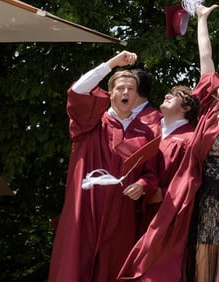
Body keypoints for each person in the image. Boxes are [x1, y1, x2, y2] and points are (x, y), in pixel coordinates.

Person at [118, 3, 219, 282]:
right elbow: (207, 62)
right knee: (202, 270)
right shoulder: (212, 114)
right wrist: (202, 20)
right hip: (204, 198)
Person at [48, 50, 160, 282]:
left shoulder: (145, 133)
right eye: (120, 88)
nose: (125, 92)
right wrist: (112, 64)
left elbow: (151, 173)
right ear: (109, 93)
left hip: (121, 216)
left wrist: (142, 184)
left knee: (113, 271)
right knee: (73, 268)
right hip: (84, 209)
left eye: (131, 88)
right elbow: (77, 90)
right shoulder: (89, 125)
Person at [142, 85, 201, 228]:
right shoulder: (147, 130)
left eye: (175, 95)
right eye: (168, 93)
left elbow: (190, 178)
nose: (167, 96)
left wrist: (161, 194)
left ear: (186, 108)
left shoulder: (191, 139)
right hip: (136, 205)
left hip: (166, 209)